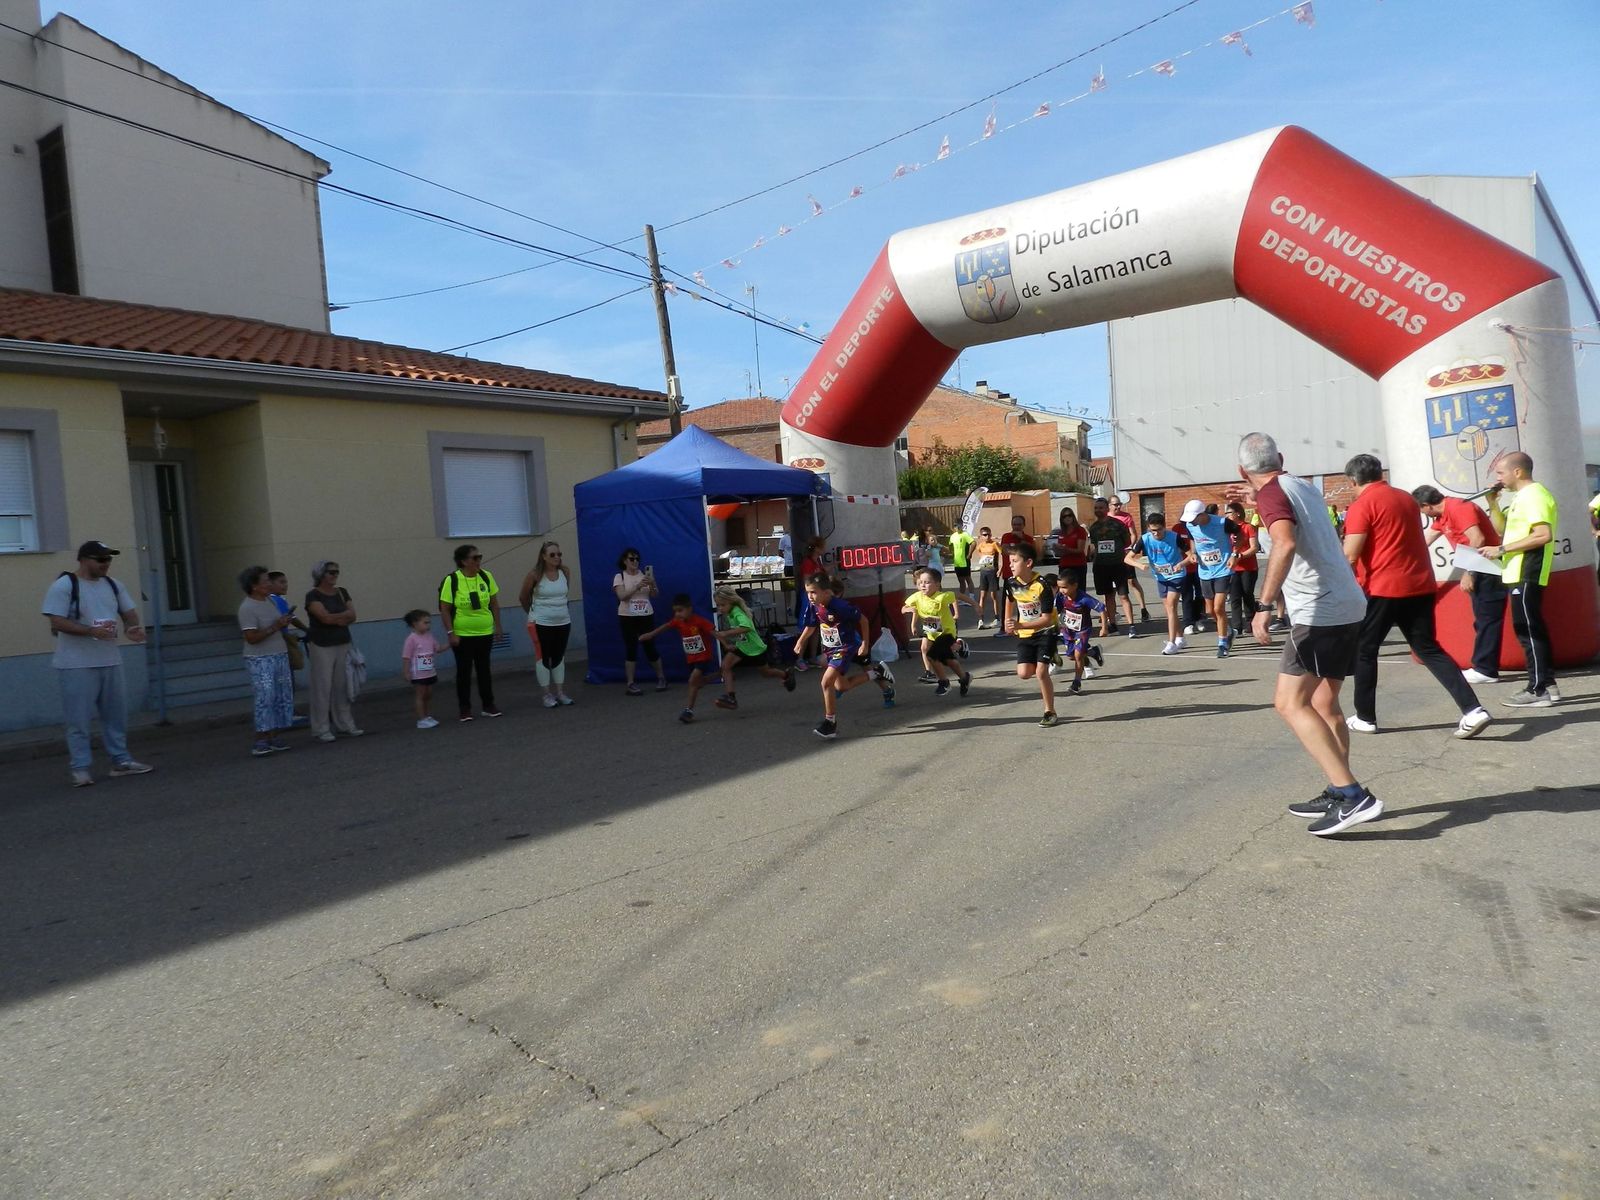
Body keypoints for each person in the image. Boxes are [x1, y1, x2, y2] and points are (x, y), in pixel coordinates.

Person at [1231, 433, 1379, 837]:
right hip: (1347, 602)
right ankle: (1339, 788)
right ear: (1280, 458)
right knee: (1324, 703)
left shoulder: (1272, 494)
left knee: (1289, 703)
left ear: (1242, 469)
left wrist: (1263, 605)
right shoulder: (1301, 486)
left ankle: (1353, 796)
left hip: (1320, 611)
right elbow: (1291, 515)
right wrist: (1258, 498)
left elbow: (1285, 542)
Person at [1340, 455, 1490, 740]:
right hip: (1420, 584)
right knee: (1428, 648)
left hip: (1383, 587)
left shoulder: (1362, 505)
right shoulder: (1406, 499)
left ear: (1353, 480)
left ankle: (1365, 716)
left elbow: (1350, 554)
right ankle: (1473, 709)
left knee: (1365, 650)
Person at [40, 541, 153, 787]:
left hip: (110, 660)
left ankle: (121, 761)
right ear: (84, 560)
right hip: (75, 664)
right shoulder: (65, 585)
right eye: (101, 559)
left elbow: (129, 612)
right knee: (78, 720)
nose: (106, 564)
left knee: (115, 716)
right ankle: (80, 769)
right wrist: (90, 631)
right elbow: (57, 621)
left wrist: (132, 628)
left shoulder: (113, 585)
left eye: (109, 559)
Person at [1483, 451, 1560, 707]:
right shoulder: (1520, 498)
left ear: (1517, 472)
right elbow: (1503, 530)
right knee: (1530, 627)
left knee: (1528, 630)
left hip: (1528, 570)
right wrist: (1493, 503)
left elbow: (1543, 534)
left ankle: (1537, 690)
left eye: (1501, 473)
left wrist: (1501, 550)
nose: (1498, 478)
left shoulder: (1534, 495)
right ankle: (1547, 683)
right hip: (1516, 572)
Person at [1413, 484, 1504, 684]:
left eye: (1421, 510)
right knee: (1482, 619)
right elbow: (1425, 540)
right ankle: (1484, 666)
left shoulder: (1458, 508)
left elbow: (1477, 539)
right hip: (1480, 567)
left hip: (1487, 567)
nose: (1424, 515)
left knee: (1488, 619)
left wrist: (1468, 572)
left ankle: (1486, 670)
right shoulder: (1441, 517)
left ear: (1427, 505)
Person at [793, 573, 895, 739]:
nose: (810, 596)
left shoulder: (840, 606)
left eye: (813, 592)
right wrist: (800, 641)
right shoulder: (814, 606)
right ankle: (877, 672)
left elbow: (863, 620)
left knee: (826, 682)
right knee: (842, 687)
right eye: (808, 592)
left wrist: (865, 643)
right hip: (830, 649)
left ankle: (830, 723)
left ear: (827, 592)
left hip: (844, 648)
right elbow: (811, 626)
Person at [439, 544, 503, 721]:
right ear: (463, 561)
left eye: (479, 557)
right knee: (464, 672)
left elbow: (494, 604)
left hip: (484, 632)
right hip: (462, 635)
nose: (478, 561)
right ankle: (465, 708)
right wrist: (451, 632)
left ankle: (488, 705)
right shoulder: (452, 580)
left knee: (484, 669)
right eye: (474, 558)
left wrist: (498, 626)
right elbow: (445, 609)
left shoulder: (486, 576)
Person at [237, 565, 295, 757]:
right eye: (265, 581)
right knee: (266, 697)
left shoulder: (270, 601)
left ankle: (274, 735)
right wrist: (275, 627)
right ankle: (260, 739)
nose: (269, 584)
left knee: (280, 696)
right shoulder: (247, 608)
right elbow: (251, 638)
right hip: (260, 658)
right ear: (254, 586)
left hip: (279, 653)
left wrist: (284, 622)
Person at [304, 560, 363, 743]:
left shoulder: (342, 592)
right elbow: (324, 618)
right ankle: (321, 728)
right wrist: (341, 617)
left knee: (342, 685)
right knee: (322, 687)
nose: (335, 575)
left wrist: (335, 618)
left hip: (342, 642)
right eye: (331, 572)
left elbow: (353, 615)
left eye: (337, 572)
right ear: (321, 575)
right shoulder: (313, 595)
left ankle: (345, 724)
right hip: (321, 644)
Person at [638, 594, 719, 723]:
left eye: (680, 610)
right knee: (698, 683)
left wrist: (726, 643)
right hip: (691, 658)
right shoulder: (678, 621)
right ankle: (719, 674)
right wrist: (651, 634)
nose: (677, 614)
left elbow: (714, 632)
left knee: (692, 681)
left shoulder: (699, 621)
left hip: (703, 656)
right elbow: (665, 626)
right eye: (675, 611)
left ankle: (688, 710)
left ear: (690, 608)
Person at [711, 588, 796, 709]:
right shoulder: (730, 613)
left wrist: (726, 633)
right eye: (718, 605)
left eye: (723, 605)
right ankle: (731, 697)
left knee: (766, 673)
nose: (720, 608)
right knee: (725, 666)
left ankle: (786, 675)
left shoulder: (737, 612)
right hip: (742, 646)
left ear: (731, 601)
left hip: (755, 648)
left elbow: (747, 627)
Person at [1004, 543, 1059, 727]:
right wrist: (1008, 622)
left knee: (1041, 672)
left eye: (1014, 561)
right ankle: (1047, 656)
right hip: (1026, 634)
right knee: (1024, 673)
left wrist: (1020, 624)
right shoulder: (1011, 582)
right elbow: (1009, 600)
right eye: (1009, 562)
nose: (1010, 565)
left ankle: (1049, 712)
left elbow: (1047, 619)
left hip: (1046, 631)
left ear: (1028, 563)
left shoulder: (1042, 585)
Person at [1126, 511, 1192, 655]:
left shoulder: (1174, 537)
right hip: (1161, 577)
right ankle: (1180, 638)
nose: (1156, 533)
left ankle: (1171, 643)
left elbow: (1191, 556)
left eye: (1159, 530)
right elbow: (1127, 558)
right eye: (1153, 530)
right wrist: (1139, 565)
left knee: (1171, 606)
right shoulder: (1145, 539)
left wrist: (1181, 564)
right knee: (1169, 610)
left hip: (1176, 575)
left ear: (1164, 527)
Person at [519, 541, 575, 708]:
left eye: (559, 554)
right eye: (552, 554)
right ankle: (546, 694)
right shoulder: (534, 575)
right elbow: (523, 597)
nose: (556, 557)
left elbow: (564, 595)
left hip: (563, 621)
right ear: (543, 556)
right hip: (541, 622)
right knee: (543, 657)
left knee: (559, 656)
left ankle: (560, 692)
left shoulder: (565, 572)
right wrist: (533, 613)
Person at [902, 566, 972, 697]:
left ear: (937, 584)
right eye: (920, 582)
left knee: (931, 655)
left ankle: (943, 682)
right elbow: (904, 608)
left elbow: (958, 595)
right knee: (949, 660)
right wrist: (908, 610)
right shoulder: (917, 597)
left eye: (927, 582)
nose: (923, 585)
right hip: (932, 633)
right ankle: (964, 678)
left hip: (947, 633)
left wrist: (976, 605)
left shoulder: (941, 597)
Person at [1183, 501, 1239, 657]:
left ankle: (1222, 644)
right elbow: (1192, 539)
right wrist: (1193, 553)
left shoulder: (1222, 523)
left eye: (1194, 518)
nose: (1192, 522)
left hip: (1223, 569)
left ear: (1203, 514)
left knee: (1218, 607)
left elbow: (1240, 535)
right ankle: (1229, 631)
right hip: (1205, 571)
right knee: (1210, 611)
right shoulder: (1190, 525)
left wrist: (1234, 554)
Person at [614, 547, 667, 694]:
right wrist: (637, 586)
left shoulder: (644, 574)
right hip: (627, 616)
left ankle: (661, 678)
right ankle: (630, 683)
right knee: (631, 648)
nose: (635, 561)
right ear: (625, 561)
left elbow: (655, 595)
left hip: (645, 615)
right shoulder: (620, 576)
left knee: (650, 647)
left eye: (637, 559)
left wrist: (652, 584)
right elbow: (622, 596)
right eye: (632, 559)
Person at [1087, 497, 1138, 637]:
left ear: (1107, 508)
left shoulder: (1118, 524)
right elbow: (1094, 545)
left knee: (1123, 596)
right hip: (1101, 566)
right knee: (1108, 596)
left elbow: (1127, 541)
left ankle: (1131, 625)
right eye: (1096, 508)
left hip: (1118, 564)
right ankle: (1113, 624)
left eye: (1101, 507)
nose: (1098, 510)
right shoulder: (1094, 528)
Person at [265, 571, 310, 728]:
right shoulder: (277, 600)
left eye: (286, 582)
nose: (285, 585)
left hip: (272, 645)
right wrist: (307, 630)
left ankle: (281, 713)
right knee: (287, 679)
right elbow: (292, 619)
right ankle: (287, 714)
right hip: (282, 643)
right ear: (270, 584)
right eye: (281, 582)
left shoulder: (268, 600)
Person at [1053, 572, 1105, 696]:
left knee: (1077, 656)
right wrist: (1055, 624)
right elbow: (1056, 611)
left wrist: (1104, 627)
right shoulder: (1060, 596)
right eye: (1059, 587)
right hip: (1067, 630)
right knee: (1071, 656)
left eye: (1064, 587)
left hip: (1083, 630)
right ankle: (1093, 652)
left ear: (1075, 586)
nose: (1062, 590)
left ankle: (1076, 683)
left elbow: (1102, 609)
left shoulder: (1084, 598)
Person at [1107, 495, 1150, 622]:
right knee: (1110, 586)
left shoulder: (1126, 516)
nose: (1118, 506)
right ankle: (1112, 612)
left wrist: (1130, 547)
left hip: (1125, 553)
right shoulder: (1105, 518)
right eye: (1115, 504)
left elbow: (1133, 534)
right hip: (1111, 556)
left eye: (1119, 504)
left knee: (1132, 581)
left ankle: (1143, 610)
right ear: (1109, 505)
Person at [401, 609, 441, 729]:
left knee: (428, 694)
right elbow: (406, 657)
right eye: (425, 622)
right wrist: (406, 672)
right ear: (415, 624)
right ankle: (422, 719)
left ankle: (427, 716)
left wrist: (450, 644)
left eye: (429, 622)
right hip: (418, 674)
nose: (428, 625)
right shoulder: (411, 639)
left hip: (429, 672)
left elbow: (437, 648)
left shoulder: (429, 636)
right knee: (420, 695)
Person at [1226, 502, 1260, 638]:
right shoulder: (1227, 529)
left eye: (1229, 512)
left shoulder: (1248, 527)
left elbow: (1254, 547)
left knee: (1247, 594)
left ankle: (1251, 623)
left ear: (1238, 513)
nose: (1227, 515)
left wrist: (1240, 556)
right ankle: (1236, 627)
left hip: (1248, 567)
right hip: (1233, 568)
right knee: (1234, 597)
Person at [971, 526, 1004, 629]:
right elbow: (980, 554)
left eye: (989, 534)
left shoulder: (994, 544)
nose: (987, 536)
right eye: (985, 535)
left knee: (994, 595)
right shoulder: (980, 546)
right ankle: (981, 619)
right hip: (984, 572)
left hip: (992, 572)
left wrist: (1000, 568)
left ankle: (997, 618)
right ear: (981, 536)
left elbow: (1002, 555)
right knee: (982, 596)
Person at [1055, 507, 1089, 593]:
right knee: (1064, 591)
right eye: (1064, 516)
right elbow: (1060, 552)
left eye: (1069, 515)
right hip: (1064, 565)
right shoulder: (1061, 532)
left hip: (1078, 565)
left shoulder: (1080, 530)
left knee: (1079, 591)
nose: (1067, 518)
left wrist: (1066, 549)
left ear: (1073, 516)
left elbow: (1080, 550)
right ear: (1061, 519)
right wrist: (1057, 549)